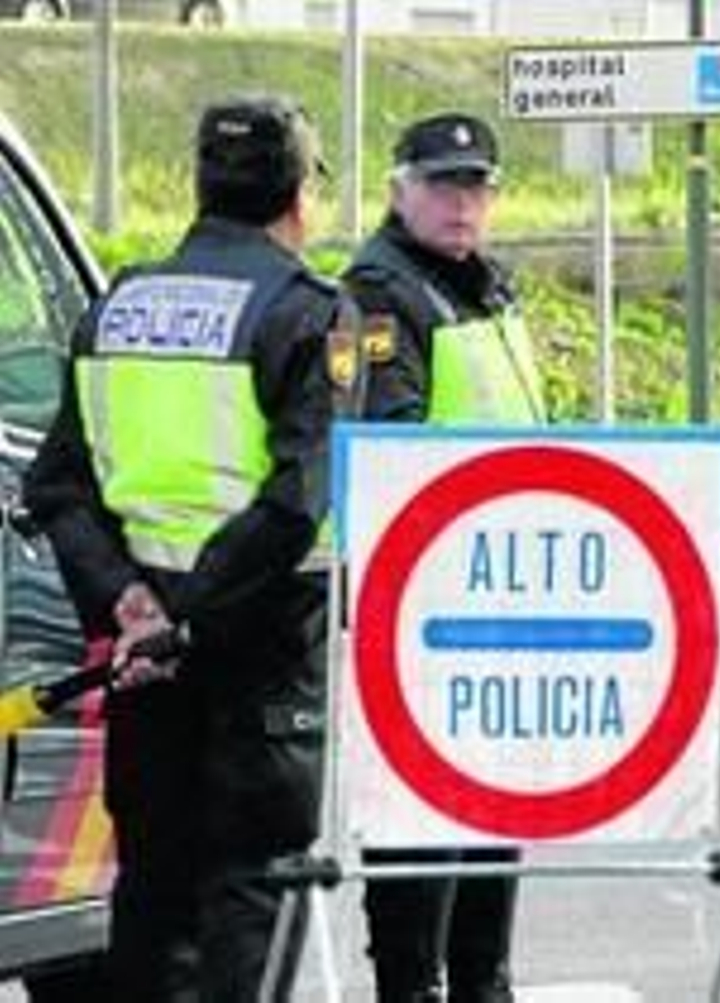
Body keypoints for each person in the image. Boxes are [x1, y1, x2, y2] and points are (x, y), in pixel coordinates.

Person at [23, 95, 337, 1000]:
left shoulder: (120, 305)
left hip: (140, 663)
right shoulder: (308, 312)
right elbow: (299, 501)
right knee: (251, 891)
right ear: (296, 199)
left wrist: (130, 603)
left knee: (152, 893)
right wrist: (186, 617)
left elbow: (58, 486)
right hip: (260, 658)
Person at [343, 111, 542, 1003]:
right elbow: (390, 446)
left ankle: (481, 979)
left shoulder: (487, 290)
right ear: (400, 190)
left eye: (476, 186)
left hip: (498, 588)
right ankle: (414, 985)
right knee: (422, 812)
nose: (462, 203)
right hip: (423, 597)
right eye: (442, 185)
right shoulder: (381, 297)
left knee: (492, 807)